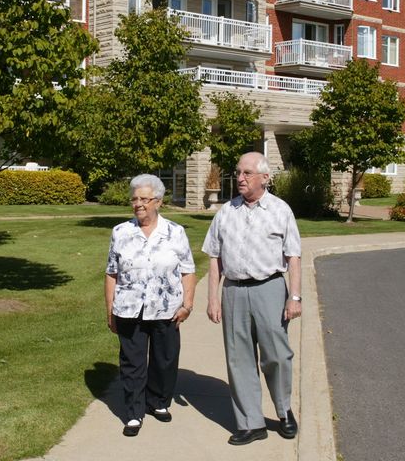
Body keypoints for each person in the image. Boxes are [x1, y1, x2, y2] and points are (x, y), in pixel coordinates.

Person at [203, 151, 302, 445]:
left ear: (264, 178)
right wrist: (212, 298)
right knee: (238, 358)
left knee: (277, 356)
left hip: (269, 288)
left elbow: (293, 257)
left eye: (247, 173)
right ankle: (250, 423)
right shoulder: (226, 212)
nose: (240, 178)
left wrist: (294, 297)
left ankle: (284, 411)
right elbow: (214, 258)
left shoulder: (281, 210)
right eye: (238, 172)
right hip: (233, 290)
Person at [104, 173, 197, 437]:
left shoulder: (175, 233)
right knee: (132, 362)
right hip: (129, 308)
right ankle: (133, 413)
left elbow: (188, 271)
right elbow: (112, 273)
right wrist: (109, 310)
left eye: (144, 199)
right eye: (134, 199)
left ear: (158, 201)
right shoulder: (121, 232)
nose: (138, 204)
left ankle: (158, 402)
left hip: (167, 308)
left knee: (165, 360)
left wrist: (187, 304)